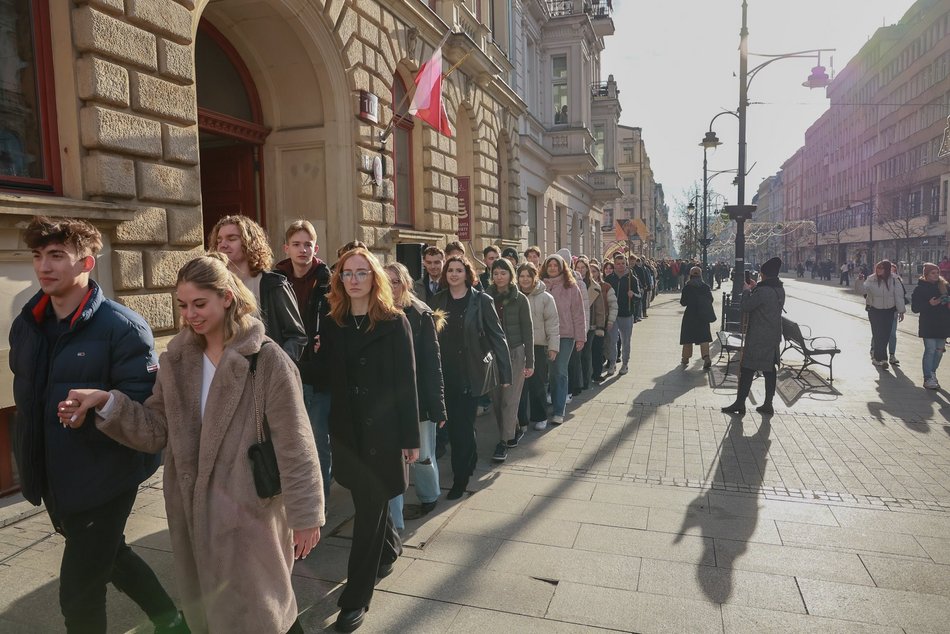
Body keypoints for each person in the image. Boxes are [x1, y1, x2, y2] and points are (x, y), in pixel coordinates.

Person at [60, 253, 323, 634]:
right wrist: (108, 403)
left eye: (199, 304)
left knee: (263, 614)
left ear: (227, 298)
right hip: (193, 515)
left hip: (251, 513)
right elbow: (156, 429)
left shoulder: (266, 360)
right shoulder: (177, 361)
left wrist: (306, 515)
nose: (190, 315)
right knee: (213, 613)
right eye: (183, 305)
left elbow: (295, 443)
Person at [10, 217, 184, 634]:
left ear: (86, 263)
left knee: (79, 593)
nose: (44, 266)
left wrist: (99, 406)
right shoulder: (26, 324)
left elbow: (148, 418)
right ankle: (174, 623)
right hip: (55, 475)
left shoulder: (123, 328)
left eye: (57, 255)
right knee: (113, 557)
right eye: (38, 255)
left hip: (106, 478)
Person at [321, 248, 420, 632]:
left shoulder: (395, 322)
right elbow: (323, 374)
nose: (354, 279)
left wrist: (410, 437)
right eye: (347, 273)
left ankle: (355, 599)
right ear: (339, 280)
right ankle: (390, 547)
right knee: (371, 505)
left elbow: (406, 383)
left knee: (366, 514)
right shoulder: (333, 323)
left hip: (384, 434)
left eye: (362, 272)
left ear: (374, 277)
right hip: (348, 433)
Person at [429, 255, 511, 497]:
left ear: (467, 274)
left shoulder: (481, 300)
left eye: (459, 270)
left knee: (461, 427)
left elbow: (497, 336)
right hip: (445, 373)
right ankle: (470, 456)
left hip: (471, 372)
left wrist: (505, 372)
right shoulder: (438, 300)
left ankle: (460, 479)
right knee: (457, 425)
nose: (454, 274)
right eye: (450, 270)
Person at [274, 219, 333, 502]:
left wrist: (328, 341)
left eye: (307, 244)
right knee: (288, 439)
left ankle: (320, 501)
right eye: (296, 244)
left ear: (316, 248)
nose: (302, 250)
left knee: (319, 440)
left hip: (318, 373)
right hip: (285, 370)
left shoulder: (328, 281)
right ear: (286, 248)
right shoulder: (274, 281)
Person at [384, 262, 446, 524]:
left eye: (395, 281)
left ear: (406, 284)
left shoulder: (420, 314)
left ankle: (429, 496)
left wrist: (439, 406)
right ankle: (394, 519)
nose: (391, 287)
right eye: (386, 281)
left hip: (419, 397)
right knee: (392, 462)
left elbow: (433, 363)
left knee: (423, 454)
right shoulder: (376, 311)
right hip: (388, 401)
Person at [210, 215, 307, 360]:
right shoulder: (213, 286)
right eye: (219, 240)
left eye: (231, 239)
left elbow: (296, 336)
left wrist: (278, 364)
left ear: (249, 242)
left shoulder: (273, 285)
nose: (223, 245)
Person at [721, 257, 786, 415]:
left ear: (764, 274)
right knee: (769, 370)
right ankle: (768, 404)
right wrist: (755, 288)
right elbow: (765, 301)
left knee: (747, 368)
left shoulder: (763, 291)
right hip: (773, 335)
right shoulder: (779, 289)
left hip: (758, 336)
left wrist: (746, 291)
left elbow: (746, 306)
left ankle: (740, 403)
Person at [486, 258, 534, 462]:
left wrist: (530, 362)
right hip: (493, 354)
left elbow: (528, 332)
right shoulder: (485, 297)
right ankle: (512, 430)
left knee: (510, 399)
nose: (499, 277)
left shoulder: (520, 299)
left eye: (503, 273)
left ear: (510, 275)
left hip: (515, 352)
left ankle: (503, 442)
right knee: (497, 400)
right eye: (496, 273)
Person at [540, 254, 586, 425]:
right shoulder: (540, 286)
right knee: (547, 373)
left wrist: (580, 337)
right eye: (550, 265)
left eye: (556, 265)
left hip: (565, 335)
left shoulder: (571, 287)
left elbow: (578, 314)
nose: (552, 268)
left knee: (559, 371)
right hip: (543, 336)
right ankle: (546, 405)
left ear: (562, 268)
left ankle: (559, 410)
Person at [517, 262, 559, 431]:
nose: (525, 279)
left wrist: (553, 347)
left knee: (537, 384)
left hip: (538, 346)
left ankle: (540, 416)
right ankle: (521, 420)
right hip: (517, 346)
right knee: (520, 386)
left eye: (528, 276)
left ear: (535, 277)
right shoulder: (514, 296)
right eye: (521, 276)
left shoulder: (546, 298)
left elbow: (553, 324)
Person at [911, 263, 950, 390]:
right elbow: (915, 308)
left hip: (943, 324)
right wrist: (930, 303)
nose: (936, 275)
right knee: (930, 350)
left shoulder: (944, 286)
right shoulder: (920, 289)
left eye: (937, 273)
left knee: (939, 352)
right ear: (926, 275)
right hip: (928, 324)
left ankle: (932, 373)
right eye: (933, 273)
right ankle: (927, 378)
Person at [863, 259, 906, 369]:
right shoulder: (871, 279)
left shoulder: (895, 279)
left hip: (889, 310)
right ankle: (880, 359)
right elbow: (862, 291)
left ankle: (880, 358)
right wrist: (860, 281)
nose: (878, 270)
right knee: (877, 334)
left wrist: (901, 311)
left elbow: (899, 296)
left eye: (881, 268)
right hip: (874, 310)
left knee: (886, 335)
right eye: (877, 267)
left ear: (887, 269)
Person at [604, 253, 640, 375]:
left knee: (626, 341)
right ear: (614, 264)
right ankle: (612, 363)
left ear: (626, 264)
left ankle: (625, 364)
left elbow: (639, 296)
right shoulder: (609, 279)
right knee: (612, 340)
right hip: (612, 315)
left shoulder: (632, 278)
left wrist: (633, 295)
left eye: (623, 263)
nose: (621, 266)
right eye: (618, 264)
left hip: (626, 314)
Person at [680, 266, 715, 369]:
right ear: (700, 275)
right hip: (703, 315)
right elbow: (711, 299)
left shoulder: (687, 287)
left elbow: (683, 302)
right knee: (704, 337)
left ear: (690, 275)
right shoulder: (705, 287)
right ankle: (706, 357)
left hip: (690, 315)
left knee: (687, 337)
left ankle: (685, 358)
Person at [589, 262, 617, 381]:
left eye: (594, 271)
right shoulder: (582, 285)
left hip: (601, 322)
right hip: (587, 323)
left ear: (598, 273)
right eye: (590, 271)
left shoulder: (605, 286)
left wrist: (610, 321)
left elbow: (613, 305)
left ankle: (598, 372)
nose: (592, 274)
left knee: (599, 348)